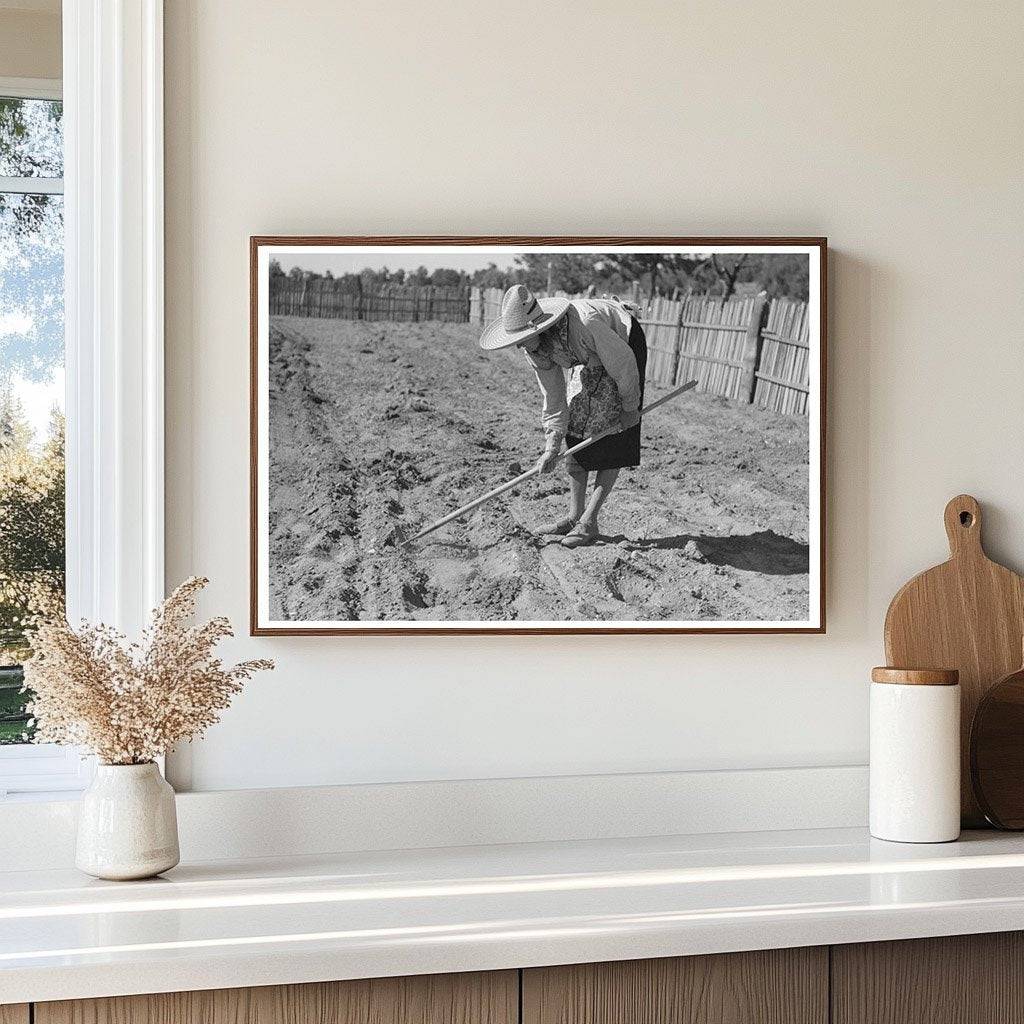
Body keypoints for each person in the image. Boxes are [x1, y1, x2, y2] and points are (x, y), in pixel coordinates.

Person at [479, 284, 647, 548]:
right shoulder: (534, 348)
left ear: (541, 328)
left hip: (622, 344)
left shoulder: (585, 324)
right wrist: (551, 446)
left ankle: (589, 522)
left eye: (522, 337)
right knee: (575, 427)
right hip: (589, 357)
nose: (519, 345)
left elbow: (623, 364)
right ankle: (574, 516)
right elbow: (554, 397)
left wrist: (629, 407)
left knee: (612, 431)